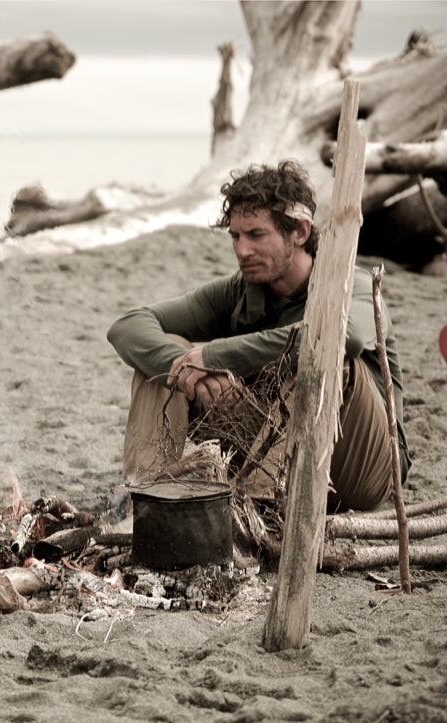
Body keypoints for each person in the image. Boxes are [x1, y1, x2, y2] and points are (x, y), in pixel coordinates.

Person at [107, 160, 410, 512]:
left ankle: (258, 509)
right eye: (235, 235)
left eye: (256, 235)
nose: (241, 250)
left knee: (323, 356)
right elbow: (128, 326)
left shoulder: (346, 283)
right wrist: (186, 369)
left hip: (360, 469)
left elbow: (348, 337)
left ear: (299, 231)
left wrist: (215, 357)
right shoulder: (243, 290)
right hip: (272, 450)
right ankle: (145, 499)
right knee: (166, 355)